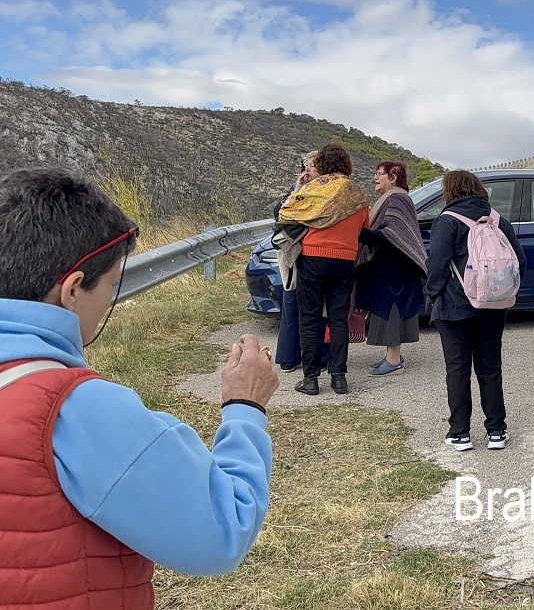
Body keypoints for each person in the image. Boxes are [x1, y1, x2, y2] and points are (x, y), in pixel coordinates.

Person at [0, 167, 279, 607]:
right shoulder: (74, 407)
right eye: (111, 285)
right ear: (73, 289)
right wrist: (244, 407)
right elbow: (221, 532)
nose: (108, 301)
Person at [426, 170, 527, 452]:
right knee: (490, 368)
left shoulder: (447, 221)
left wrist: (433, 294)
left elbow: (437, 266)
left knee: (457, 369)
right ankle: (496, 430)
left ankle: (459, 433)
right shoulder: (497, 220)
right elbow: (520, 260)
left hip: (455, 306)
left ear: (450, 191)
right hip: (494, 305)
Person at [277, 141, 371, 396]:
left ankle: (311, 379)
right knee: (338, 320)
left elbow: (285, 213)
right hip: (344, 261)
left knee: (309, 319)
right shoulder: (358, 193)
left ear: (321, 164)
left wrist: (300, 187)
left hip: (313, 258)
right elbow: (364, 227)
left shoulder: (313, 189)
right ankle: (339, 378)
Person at [355, 161, 428, 376]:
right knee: (385, 309)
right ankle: (391, 356)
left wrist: (358, 231)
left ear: (394, 177)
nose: (375, 178)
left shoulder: (397, 198)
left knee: (392, 310)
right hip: (390, 269)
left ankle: (394, 360)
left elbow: (390, 235)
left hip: (396, 271)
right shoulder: (391, 198)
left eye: (379, 174)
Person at [274, 151, 326, 372]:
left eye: (312, 165)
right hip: (294, 256)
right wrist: (296, 189)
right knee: (292, 304)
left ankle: (319, 357)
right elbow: (279, 213)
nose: (307, 170)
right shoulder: (299, 189)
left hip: (313, 253)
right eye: (305, 165)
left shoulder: (325, 192)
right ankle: (289, 356)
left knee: (318, 307)